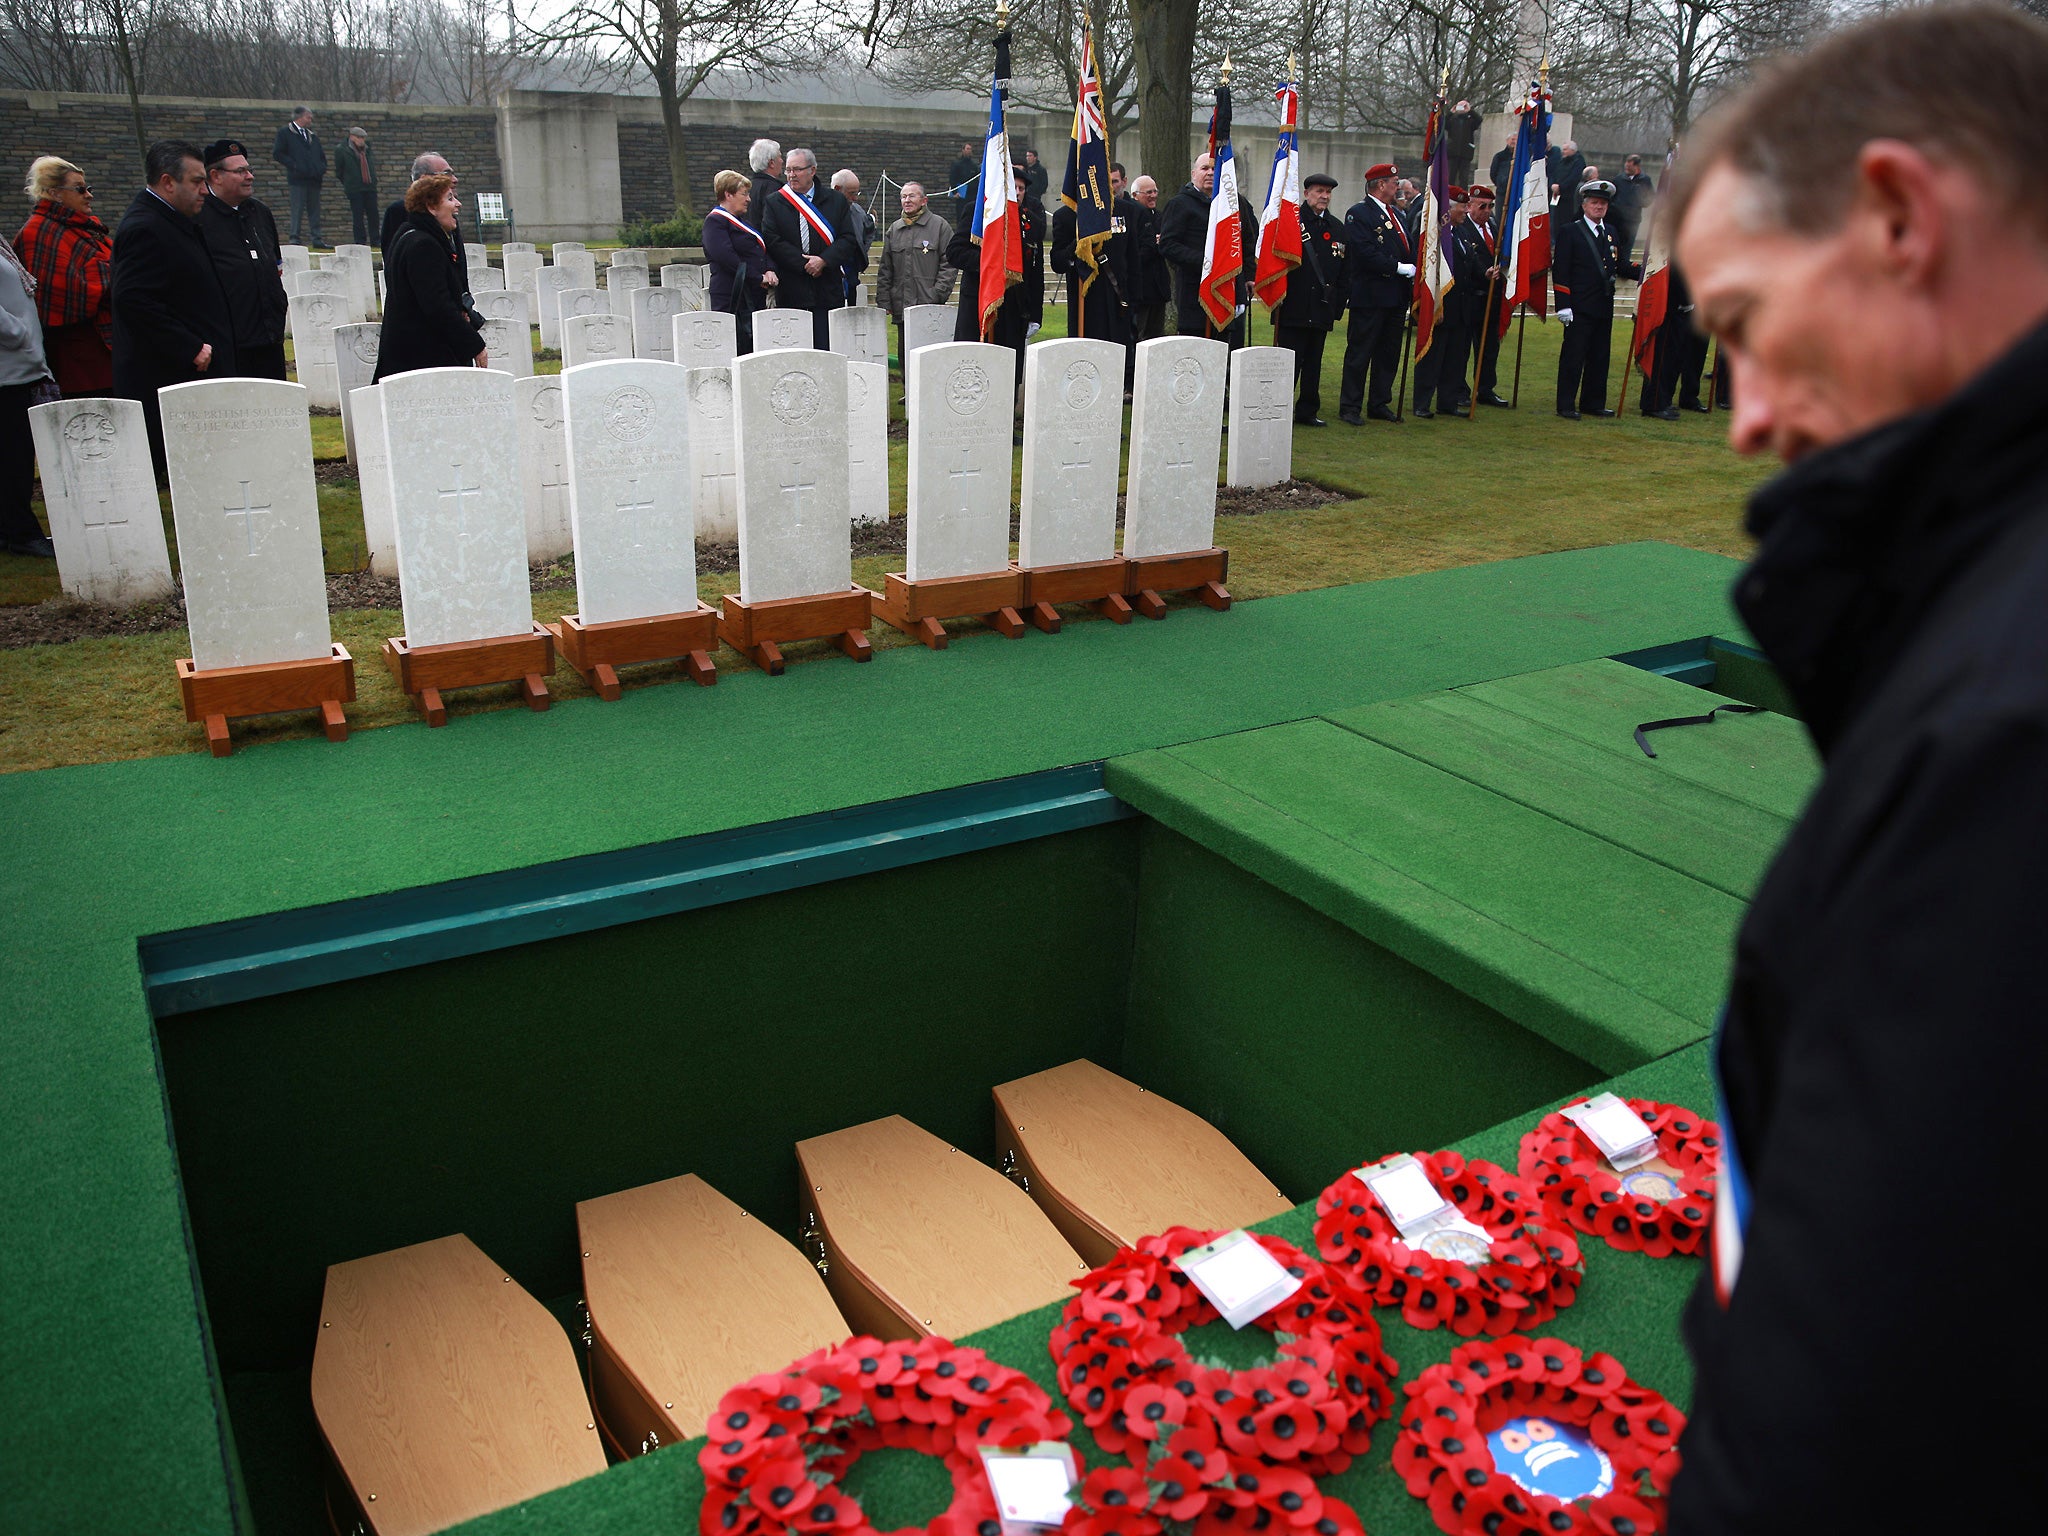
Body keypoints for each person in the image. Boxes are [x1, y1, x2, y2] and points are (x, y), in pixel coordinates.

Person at [1657, 9, 2048, 1533]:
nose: (1746, 415)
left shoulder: (2004, 730)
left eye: (1745, 320)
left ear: (1898, 214)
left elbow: (1873, 1397)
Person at [111, 139, 237, 476]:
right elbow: (132, 299)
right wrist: (190, 346)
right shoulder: (145, 228)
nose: (205, 191)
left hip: (192, 370)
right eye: (197, 182)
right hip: (172, 374)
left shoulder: (170, 220)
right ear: (168, 182)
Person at [13, 156, 113, 397]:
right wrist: (112, 271)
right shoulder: (38, 232)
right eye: (80, 189)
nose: (88, 194)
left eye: (88, 188)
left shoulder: (85, 228)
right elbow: (61, 297)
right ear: (55, 193)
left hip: (109, 352)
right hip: (79, 363)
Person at [373, 173, 485, 380]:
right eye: (450, 198)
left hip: (414, 355)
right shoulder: (423, 246)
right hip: (422, 359)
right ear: (431, 207)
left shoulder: (412, 234)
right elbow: (437, 305)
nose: (457, 204)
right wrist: (474, 344)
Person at [195, 139, 288, 381]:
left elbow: (274, 268)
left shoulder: (260, 213)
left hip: (269, 340)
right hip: (229, 347)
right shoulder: (198, 218)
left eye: (249, 170)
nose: (249, 176)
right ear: (215, 175)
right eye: (240, 171)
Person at [1551, 178, 1640, 418]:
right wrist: (1564, 305)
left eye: (1602, 204)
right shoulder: (1570, 231)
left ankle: (1593, 402)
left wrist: (1646, 271)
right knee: (1574, 356)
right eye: (1594, 203)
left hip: (1603, 304)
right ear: (1584, 205)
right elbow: (1561, 269)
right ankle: (1566, 404)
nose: (1599, 207)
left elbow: (1619, 265)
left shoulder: (1610, 232)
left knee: (1600, 356)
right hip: (1579, 306)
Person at [760, 147, 864, 349]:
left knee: (825, 350)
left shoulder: (835, 201)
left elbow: (848, 239)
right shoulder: (775, 201)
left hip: (826, 289)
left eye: (797, 169)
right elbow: (772, 240)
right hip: (792, 289)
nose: (791, 175)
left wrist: (823, 261)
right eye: (788, 170)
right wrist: (804, 264)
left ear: (812, 170)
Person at [948, 162, 1043, 385]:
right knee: (973, 371)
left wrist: (1035, 314)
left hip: (1014, 307)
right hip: (979, 304)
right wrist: (990, 264)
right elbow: (955, 252)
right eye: (1013, 187)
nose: (1018, 193)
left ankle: (1007, 417)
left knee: (1006, 375)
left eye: (1021, 189)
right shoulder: (977, 212)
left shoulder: (1031, 222)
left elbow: (1035, 272)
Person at [1337, 163, 1415, 424]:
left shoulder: (1397, 215)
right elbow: (1363, 251)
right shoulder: (1359, 213)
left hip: (1394, 296)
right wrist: (1398, 267)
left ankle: (1379, 402)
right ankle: (1350, 406)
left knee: (1388, 354)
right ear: (1380, 185)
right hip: (1371, 294)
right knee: (1360, 352)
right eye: (1394, 182)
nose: (1397, 186)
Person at [1157, 153, 1256, 345]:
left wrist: (1250, 275)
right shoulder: (1180, 204)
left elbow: (1247, 240)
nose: (1210, 173)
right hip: (1195, 291)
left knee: (1227, 350)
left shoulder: (1235, 204)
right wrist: (1206, 262)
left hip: (1230, 288)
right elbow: (1168, 245)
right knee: (1197, 350)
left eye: (1214, 169)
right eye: (1204, 169)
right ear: (1194, 174)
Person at [1271, 171, 1344, 425]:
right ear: (1306, 193)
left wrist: (1336, 306)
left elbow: (1344, 270)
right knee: (1288, 363)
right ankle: (1278, 408)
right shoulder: (1289, 222)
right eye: (1319, 191)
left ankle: (1307, 411)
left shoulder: (1336, 227)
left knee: (1314, 363)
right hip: (1294, 305)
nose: (1324, 196)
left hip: (1321, 307)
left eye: (1328, 192)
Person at [0, 227, 56, 556]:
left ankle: (9, 530)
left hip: (17, 366)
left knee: (13, 456)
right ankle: (22, 532)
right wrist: (19, 334)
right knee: (13, 458)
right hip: (8, 369)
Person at [1411, 186, 1484, 417]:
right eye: (1462, 206)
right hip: (1441, 306)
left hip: (1462, 308)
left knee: (1455, 359)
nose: (1465, 211)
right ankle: (1422, 403)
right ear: (1449, 209)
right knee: (1432, 358)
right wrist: (1435, 304)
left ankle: (1448, 402)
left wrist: (1487, 274)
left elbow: (1469, 265)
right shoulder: (1436, 234)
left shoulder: (1461, 233)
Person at [875, 181, 954, 364]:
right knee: (905, 356)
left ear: (924, 200)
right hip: (902, 304)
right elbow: (885, 268)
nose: (907, 200)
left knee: (931, 357)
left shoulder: (939, 227)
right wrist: (885, 300)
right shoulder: (894, 229)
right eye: (903, 196)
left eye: (912, 196)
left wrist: (936, 294)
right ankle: (907, 391)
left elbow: (949, 264)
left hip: (929, 304)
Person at [1049, 173, 1128, 348]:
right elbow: (1058, 262)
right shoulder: (1065, 216)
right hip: (1083, 297)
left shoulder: (1123, 210)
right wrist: (1080, 241)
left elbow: (1131, 256)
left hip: (1117, 296)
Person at [703, 168, 776, 353]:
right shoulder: (715, 222)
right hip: (731, 295)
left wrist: (769, 269)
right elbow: (726, 257)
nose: (749, 199)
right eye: (744, 194)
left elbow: (760, 250)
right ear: (728, 195)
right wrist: (758, 278)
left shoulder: (744, 222)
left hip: (752, 294)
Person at [1638, 260, 1707, 419]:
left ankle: (1663, 401)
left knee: (1673, 359)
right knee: (1663, 358)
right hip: (1668, 307)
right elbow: (1675, 274)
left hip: (1680, 307)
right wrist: (1686, 299)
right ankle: (1653, 404)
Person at [1464, 184, 1510, 406]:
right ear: (1470, 206)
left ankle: (1485, 388)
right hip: (1472, 296)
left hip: (1492, 298)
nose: (1487, 211)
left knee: (1489, 347)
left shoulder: (1493, 226)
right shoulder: (1463, 227)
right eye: (1483, 206)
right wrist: (1484, 273)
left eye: (1491, 206)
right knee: (1463, 346)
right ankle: (1459, 389)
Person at [270, 105, 326, 247]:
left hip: (314, 179)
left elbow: (321, 156)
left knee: (315, 211)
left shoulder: (312, 136)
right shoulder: (285, 133)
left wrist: (320, 168)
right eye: (308, 116)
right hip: (298, 179)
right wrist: (295, 166)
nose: (310, 119)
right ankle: (294, 237)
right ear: (299, 117)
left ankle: (317, 239)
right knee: (298, 209)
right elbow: (278, 153)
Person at [381, 152, 451, 254]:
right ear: (424, 178)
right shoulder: (398, 211)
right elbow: (391, 255)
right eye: (446, 174)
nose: (454, 179)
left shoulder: (449, 210)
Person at [831, 169, 876, 304]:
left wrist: (861, 251)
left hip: (851, 275)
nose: (855, 198)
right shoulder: (819, 211)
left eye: (857, 193)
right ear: (837, 189)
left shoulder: (857, 211)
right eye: (851, 194)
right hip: (829, 278)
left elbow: (869, 230)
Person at [334, 126, 378, 247]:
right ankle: (360, 241)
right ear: (352, 137)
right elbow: (339, 171)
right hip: (355, 188)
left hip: (370, 187)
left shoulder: (367, 149)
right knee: (358, 216)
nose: (361, 140)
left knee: (373, 214)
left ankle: (375, 239)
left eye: (363, 138)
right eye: (359, 138)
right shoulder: (342, 150)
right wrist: (349, 182)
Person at [1610, 153, 1656, 258]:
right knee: (1615, 243)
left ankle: (1624, 265)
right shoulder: (1618, 179)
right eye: (1626, 166)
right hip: (1618, 218)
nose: (1627, 168)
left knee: (1628, 245)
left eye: (1629, 166)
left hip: (1633, 219)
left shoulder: (1645, 180)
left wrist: (1641, 202)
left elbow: (1651, 196)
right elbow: (1611, 196)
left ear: (1636, 166)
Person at [745, 140, 783, 232]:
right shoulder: (776, 190)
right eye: (780, 157)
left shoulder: (745, 188)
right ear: (771, 163)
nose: (782, 161)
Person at [1547, 139, 1586, 222]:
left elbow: (1573, 178)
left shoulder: (1578, 161)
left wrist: (1560, 187)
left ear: (1572, 150)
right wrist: (1553, 185)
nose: (1562, 152)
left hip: (1569, 199)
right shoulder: (1561, 161)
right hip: (1557, 196)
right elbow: (1554, 173)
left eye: (1565, 149)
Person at [1445, 99, 1482, 185]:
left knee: (1464, 178)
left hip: (1465, 153)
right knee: (1450, 177)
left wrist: (1470, 110)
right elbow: (1443, 124)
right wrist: (1450, 113)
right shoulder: (1452, 120)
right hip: (1452, 153)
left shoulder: (1470, 121)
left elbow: (1479, 120)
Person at [1489, 134, 1518, 205]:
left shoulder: (1521, 158)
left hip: (1516, 193)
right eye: (1512, 139)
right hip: (1502, 193)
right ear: (1507, 141)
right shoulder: (1499, 156)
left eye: (1516, 140)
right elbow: (1493, 173)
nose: (1514, 142)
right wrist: (1501, 183)